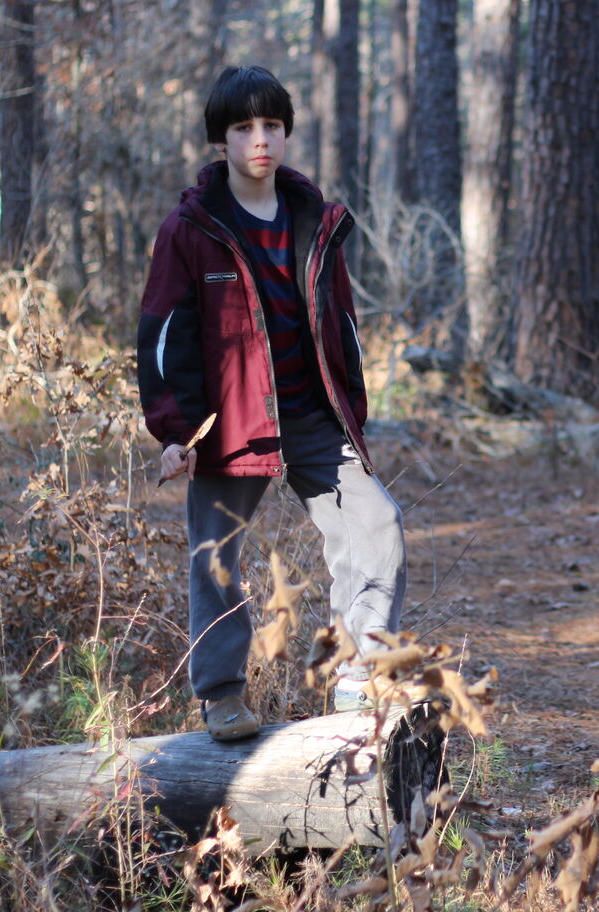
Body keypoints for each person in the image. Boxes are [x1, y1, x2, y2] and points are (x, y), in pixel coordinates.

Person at [136, 66, 406, 741]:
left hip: (312, 414)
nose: (260, 139)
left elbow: (341, 322)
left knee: (377, 524)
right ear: (220, 139)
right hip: (230, 424)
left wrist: (351, 413)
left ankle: (360, 674)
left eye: (272, 125)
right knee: (215, 555)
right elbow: (165, 335)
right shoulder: (191, 229)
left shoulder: (316, 219)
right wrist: (175, 431)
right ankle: (222, 695)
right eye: (243, 127)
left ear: (285, 132)